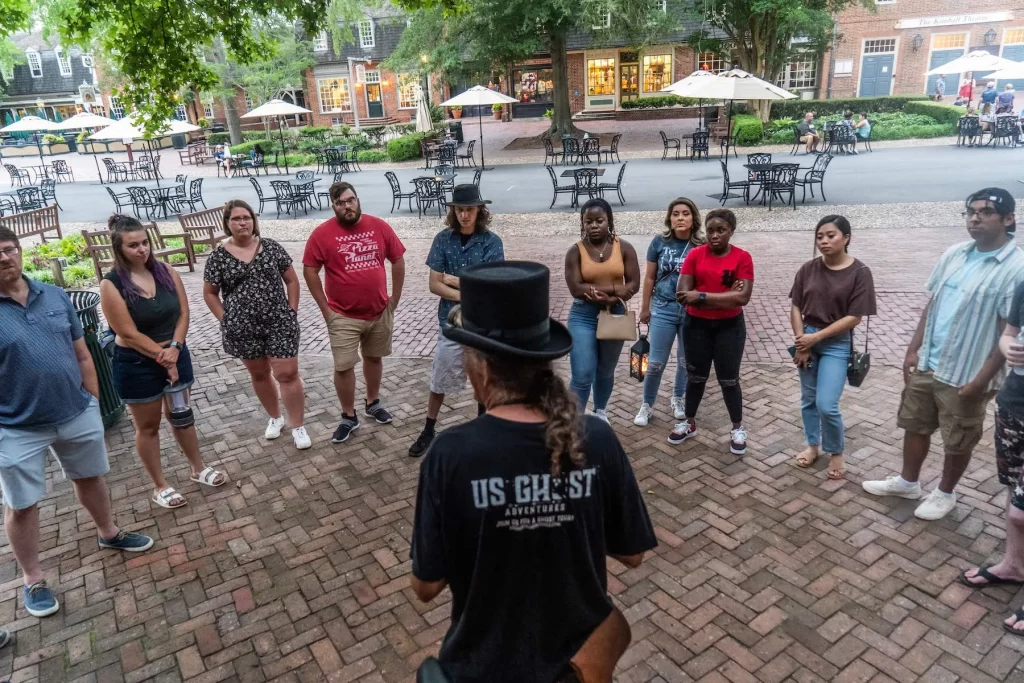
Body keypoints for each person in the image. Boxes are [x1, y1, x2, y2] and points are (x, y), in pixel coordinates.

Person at [410, 260, 658, 683]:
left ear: (482, 367)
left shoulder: (450, 454)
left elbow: (426, 585)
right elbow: (631, 554)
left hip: (480, 668)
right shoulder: (594, 438)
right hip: (578, 669)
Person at [0, 226, 154, 619]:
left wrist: (92, 402)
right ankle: (33, 579)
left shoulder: (53, 296)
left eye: (8, 250)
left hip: (75, 411)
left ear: (19, 252)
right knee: (23, 505)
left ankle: (109, 533)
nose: (4, 258)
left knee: (90, 478)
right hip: (16, 426)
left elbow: (82, 353)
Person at [863, 188, 1024, 520]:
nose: (975, 217)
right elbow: (934, 303)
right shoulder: (955, 253)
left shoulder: (1016, 269)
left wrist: (981, 381)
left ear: (1009, 219)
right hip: (930, 362)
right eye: (970, 211)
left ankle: (945, 493)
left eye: (985, 212)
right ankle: (908, 482)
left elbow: (1008, 331)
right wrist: (912, 348)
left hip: (968, 370)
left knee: (959, 436)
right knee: (915, 424)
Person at [100, 215, 227, 509]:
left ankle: (198, 468)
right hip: (136, 363)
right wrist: (163, 357)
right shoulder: (112, 284)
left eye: (145, 242)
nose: (142, 249)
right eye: (133, 245)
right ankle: (160, 485)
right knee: (148, 426)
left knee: (181, 415)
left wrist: (175, 348)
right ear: (119, 249)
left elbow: (183, 312)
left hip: (175, 353)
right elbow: (127, 333)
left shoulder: (167, 271)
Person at [303, 182, 406, 443]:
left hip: (379, 310)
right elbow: (309, 270)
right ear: (333, 206)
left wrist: (394, 298)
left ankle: (373, 402)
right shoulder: (321, 234)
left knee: (374, 358)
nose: (347, 206)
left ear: (357, 200)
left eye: (350, 200)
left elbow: (397, 259)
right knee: (344, 366)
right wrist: (325, 310)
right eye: (340, 203)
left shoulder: (379, 226)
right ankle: (348, 416)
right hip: (342, 315)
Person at [203, 200, 310, 450]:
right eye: (236, 218)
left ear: (254, 221)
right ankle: (275, 417)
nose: (242, 222)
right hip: (242, 328)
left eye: (247, 217)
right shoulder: (218, 257)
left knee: (287, 373)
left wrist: (291, 311)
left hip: (279, 322)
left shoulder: (270, 247)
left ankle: (298, 426)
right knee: (259, 373)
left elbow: (292, 280)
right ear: (227, 223)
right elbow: (209, 293)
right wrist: (225, 318)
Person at [409, 184, 504, 457]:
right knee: (439, 377)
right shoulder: (442, 240)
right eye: (460, 209)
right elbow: (434, 285)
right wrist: (468, 289)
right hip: (450, 323)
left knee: (483, 380)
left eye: (469, 210)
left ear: (479, 211)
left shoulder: (492, 242)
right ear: (453, 211)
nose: (464, 215)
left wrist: (452, 279)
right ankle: (428, 428)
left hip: (482, 324)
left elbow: (489, 287)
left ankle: (483, 428)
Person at [958, 279, 1024, 635]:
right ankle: (1014, 566)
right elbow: (1009, 331)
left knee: (1021, 510)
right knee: (1013, 492)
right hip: (1014, 405)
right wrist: (1009, 346)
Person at [790, 216, 877, 480]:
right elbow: (796, 306)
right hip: (807, 336)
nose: (824, 241)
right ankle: (813, 445)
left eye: (831, 235)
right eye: (820, 237)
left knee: (827, 404)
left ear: (846, 238)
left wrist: (815, 340)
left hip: (836, 342)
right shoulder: (808, 268)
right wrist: (802, 340)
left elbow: (855, 317)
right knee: (808, 400)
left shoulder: (860, 273)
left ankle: (836, 451)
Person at [669, 208, 754, 455]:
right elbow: (683, 295)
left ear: (731, 231)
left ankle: (737, 428)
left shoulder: (742, 258)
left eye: (721, 230)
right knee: (695, 377)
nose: (714, 235)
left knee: (729, 379)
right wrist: (727, 296)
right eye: (710, 230)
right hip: (697, 326)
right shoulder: (696, 255)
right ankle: (689, 422)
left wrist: (702, 295)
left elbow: (743, 297)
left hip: (730, 327)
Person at [564, 198, 641, 422]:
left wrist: (610, 295)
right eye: (589, 221)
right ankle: (574, 422)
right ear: (582, 223)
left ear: (609, 221)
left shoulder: (624, 247)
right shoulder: (575, 252)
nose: (594, 225)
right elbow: (576, 289)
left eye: (599, 220)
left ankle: (600, 413)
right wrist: (616, 288)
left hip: (615, 313)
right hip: (583, 315)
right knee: (582, 372)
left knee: (606, 369)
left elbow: (633, 284)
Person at [634, 198, 705, 426]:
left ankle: (678, 398)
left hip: (691, 312)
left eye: (685, 213)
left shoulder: (701, 245)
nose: (680, 218)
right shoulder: (659, 242)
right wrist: (645, 307)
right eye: (676, 214)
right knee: (655, 362)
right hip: (663, 308)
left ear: (693, 218)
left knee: (685, 361)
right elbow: (649, 277)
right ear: (669, 218)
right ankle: (647, 404)